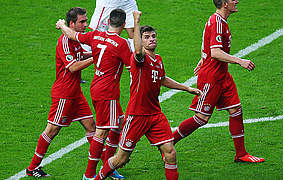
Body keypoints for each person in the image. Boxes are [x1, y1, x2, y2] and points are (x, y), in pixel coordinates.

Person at [94, 11, 203, 180]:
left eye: (153, 36)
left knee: (170, 152)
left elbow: (162, 79)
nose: (151, 39)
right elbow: (137, 50)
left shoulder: (157, 59)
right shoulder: (139, 59)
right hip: (137, 115)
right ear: (141, 40)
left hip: (154, 114)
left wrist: (187, 88)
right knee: (120, 159)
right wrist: (136, 22)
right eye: (147, 37)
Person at [172, 0, 264, 163]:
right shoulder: (217, 22)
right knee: (201, 118)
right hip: (211, 77)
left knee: (236, 110)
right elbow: (215, 52)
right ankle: (168, 144)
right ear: (224, 4)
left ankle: (241, 154)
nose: (236, 1)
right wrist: (239, 61)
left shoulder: (218, 21)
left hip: (222, 75)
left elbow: (207, 43)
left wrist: (203, 57)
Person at [56, 8, 132, 180]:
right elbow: (133, 68)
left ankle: (109, 167)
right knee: (102, 132)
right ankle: (90, 175)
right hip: (108, 92)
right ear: (123, 24)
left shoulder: (95, 35)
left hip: (97, 88)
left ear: (109, 22)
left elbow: (73, 35)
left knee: (120, 124)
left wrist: (61, 25)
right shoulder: (121, 44)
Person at [26, 7, 96, 178]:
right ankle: (32, 167)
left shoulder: (75, 40)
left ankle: (100, 164)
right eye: (82, 21)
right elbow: (72, 67)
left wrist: (97, 51)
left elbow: (80, 54)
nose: (85, 24)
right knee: (52, 130)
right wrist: (96, 58)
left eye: (86, 20)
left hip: (76, 94)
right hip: (64, 94)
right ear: (71, 24)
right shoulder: (64, 41)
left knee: (91, 125)